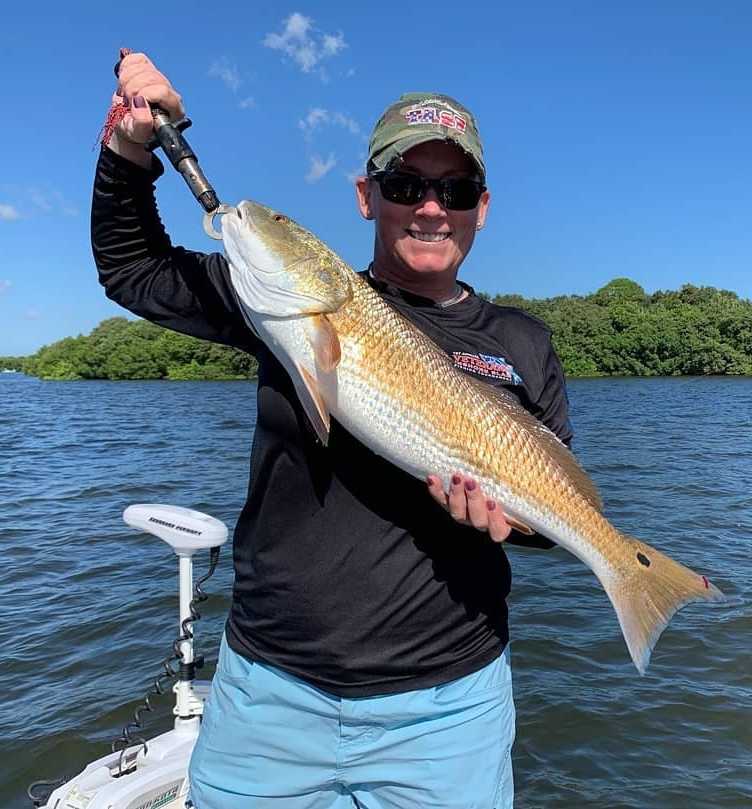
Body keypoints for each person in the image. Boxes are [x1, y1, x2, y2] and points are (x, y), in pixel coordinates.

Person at [94, 53, 572, 808]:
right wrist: (128, 150)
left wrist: (507, 524)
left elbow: (551, 521)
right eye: (406, 185)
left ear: (482, 206)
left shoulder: (525, 344)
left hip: (449, 714)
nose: (430, 208)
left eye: (455, 189)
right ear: (366, 195)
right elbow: (133, 270)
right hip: (267, 697)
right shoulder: (278, 306)